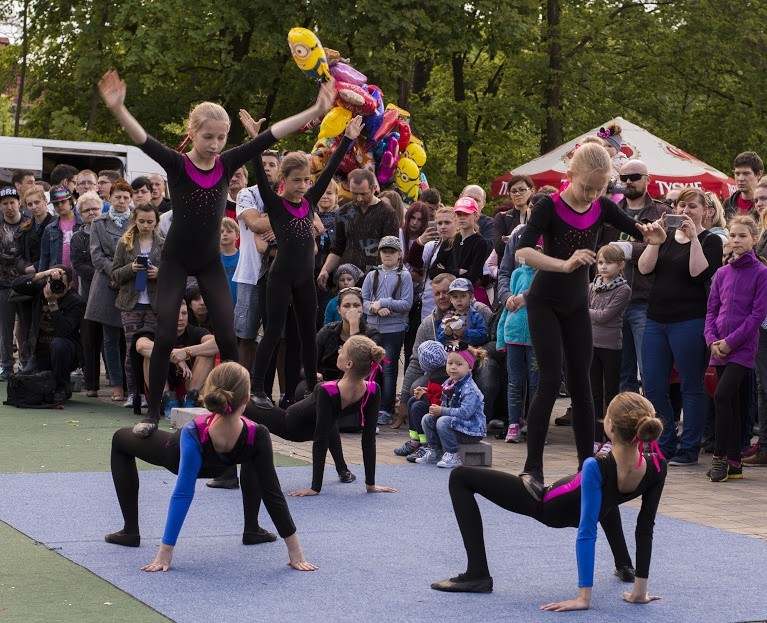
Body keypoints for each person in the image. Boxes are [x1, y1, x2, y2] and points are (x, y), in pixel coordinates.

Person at [99, 71, 340, 434]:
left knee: (228, 338)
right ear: (192, 134)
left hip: (209, 262)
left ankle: (237, 408)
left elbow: (275, 134)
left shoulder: (227, 163)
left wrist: (316, 109)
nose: (214, 144)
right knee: (165, 334)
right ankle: (152, 414)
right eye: (208, 137)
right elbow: (143, 139)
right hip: (177, 260)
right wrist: (119, 109)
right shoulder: (179, 165)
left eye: (221, 138)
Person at [432, 393, 664, 612]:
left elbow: (587, 532)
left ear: (610, 426)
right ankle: (625, 565)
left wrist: (584, 598)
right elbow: (645, 528)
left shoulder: (597, 466)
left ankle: (477, 573)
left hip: (544, 504)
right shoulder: (656, 466)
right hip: (582, 503)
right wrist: (639, 592)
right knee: (605, 495)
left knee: (461, 477)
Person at [515, 142, 651, 488]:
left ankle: (585, 466)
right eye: (586, 187)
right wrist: (563, 263)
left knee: (582, 386)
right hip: (544, 301)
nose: (592, 194)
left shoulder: (603, 206)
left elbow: (641, 232)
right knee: (548, 380)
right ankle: (533, 468)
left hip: (577, 305)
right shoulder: (549, 205)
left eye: (599, 188)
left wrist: (658, 236)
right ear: (569, 175)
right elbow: (524, 251)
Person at [106, 361, 317, 573]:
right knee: (256, 458)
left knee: (120, 440)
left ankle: (130, 531)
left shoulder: (195, 432)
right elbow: (272, 493)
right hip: (195, 459)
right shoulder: (258, 434)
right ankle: (251, 527)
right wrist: (296, 552)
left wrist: (165, 553)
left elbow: (183, 492)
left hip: (179, 456)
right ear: (246, 399)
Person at [241, 105, 362, 409]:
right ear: (283, 180)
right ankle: (257, 389)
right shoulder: (276, 203)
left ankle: (310, 386)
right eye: (297, 180)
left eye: (307, 180)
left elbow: (331, 169)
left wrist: (347, 139)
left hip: (304, 278)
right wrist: (255, 140)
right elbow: (257, 169)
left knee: (309, 332)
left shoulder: (309, 202)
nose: (304, 186)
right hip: (280, 276)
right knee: (272, 333)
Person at [246, 335, 396, 496]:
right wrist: (370, 485)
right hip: (303, 422)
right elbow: (367, 439)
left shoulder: (329, 390)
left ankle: (227, 472)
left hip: (292, 426)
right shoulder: (372, 389)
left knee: (243, 405)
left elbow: (322, 441)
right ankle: (343, 470)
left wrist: (315, 488)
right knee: (330, 420)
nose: (339, 351)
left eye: (342, 350)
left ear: (349, 364)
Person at [639, 187, 723, 464]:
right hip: (656, 319)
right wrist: (654, 242)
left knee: (691, 385)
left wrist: (693, 237)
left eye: (692, 207)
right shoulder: (666, 237)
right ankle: (666, 442)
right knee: (651, 385)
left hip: (689, 320)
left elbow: (698, 272)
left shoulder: (711, 240)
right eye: (681, 206)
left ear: (706, 211)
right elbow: (644, 269)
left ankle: (689, 448)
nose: (685, 211)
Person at [597, 159, 669, 393]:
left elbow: (665, 250)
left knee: (649, 370)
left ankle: (654, 424)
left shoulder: (661, 212)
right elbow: (598, 249)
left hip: (644, 301)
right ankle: (628, 425)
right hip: (610, 302)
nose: (628, 182)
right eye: (624, 178)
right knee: (620, 373)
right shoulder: (610, 212)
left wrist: (623, 250)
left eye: (635, 177)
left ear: (648, 179)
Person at [705, 216, 767, 481]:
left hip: (741, 348)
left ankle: (720, 457)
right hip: (718, 347)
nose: (736, 240)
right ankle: (735, 461)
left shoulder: (761, 273)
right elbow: (711, 310)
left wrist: (730, 342)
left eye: (742, 236)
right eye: (733, 235)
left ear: (754, 239)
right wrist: (712, 340)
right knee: (731, 402)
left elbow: (757, 314)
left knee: (722, 396)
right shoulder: (721, 273)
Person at [85, 178, 133, 402]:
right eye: (118, 197)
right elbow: (96, 255)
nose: (122, 201)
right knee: (110, 339)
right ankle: (116, 385)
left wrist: (128, 274)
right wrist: (116, 273)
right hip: (107, 286)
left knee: (132, 337)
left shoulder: (138, 220)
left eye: (125, 197)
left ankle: (134, 385)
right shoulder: (99, 223)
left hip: (133, 284)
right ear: (109, 198)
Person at [111, 203, 163, 408]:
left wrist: (159, 273)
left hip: (154, 304)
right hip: (130, 303)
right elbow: (114, 274)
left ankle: (149, 392)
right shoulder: (125, 243)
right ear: (135, 220)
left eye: (150, 221)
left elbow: (173, 274)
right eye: (141, 221)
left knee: (150, 349)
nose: (146, 225)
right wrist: (131, 268)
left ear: (156, 222)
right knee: (132, 350)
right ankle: (134, 393)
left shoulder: (163, 244)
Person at [10, 265, 85, 404]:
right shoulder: (41, 290)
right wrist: (43, 274)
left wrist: (52, 303)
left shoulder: (76, 301)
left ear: (70, 285)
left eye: (61, 283)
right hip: (41, 354)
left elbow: (63, 332)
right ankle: (51, 381)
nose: (56, 285)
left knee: (59, 344)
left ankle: (61, 387)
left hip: (67, 354)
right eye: (52, 281)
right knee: (23, 379)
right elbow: (16, 285)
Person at [131, 300, 218, 414]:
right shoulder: (154, 330)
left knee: (207, 351)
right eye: (176, 314)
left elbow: (218, 343)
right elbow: (141, 346)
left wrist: (186, 352)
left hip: (189, 387)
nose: (181, 318)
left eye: (184, 313)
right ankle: (168, 401)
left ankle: (191, 400)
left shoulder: (195, 331)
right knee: (150, 354)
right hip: (160, 391)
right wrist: (172, 355)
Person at [233, 148, 277, 376]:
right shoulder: (246, 194)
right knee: (246, 336)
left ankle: (272, 393)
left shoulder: (287, 193)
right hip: (249, 275)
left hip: (279, 275)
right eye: (264, 164)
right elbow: (254, 223)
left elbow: (313, 226)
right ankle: (241, 389)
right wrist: (281, 220)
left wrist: (267, 220)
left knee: (279, 338)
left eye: (272, 164)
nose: (267, 168)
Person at [362, 236, 413, 424]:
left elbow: (406, 303)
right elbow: (364, 300)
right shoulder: (372, 275)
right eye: (384, 251)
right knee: (370, 367)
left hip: (394, 329)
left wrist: (384, 303)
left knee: (389, 369)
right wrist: (373, 308)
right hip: (373, 327)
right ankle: (368, 403)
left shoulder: (404, 275)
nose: (388, 255)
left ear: (399, 254)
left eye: (392, 251)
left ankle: (385, 408)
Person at [317, 168, 400, 283]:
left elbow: (392, 252)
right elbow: (337, 248)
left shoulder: (388, 214)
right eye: (354, 193)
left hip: (376, 280)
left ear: (374, 188)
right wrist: (325, 270)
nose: (359, 198)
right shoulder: (343, 212)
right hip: (347, 280)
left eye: (363, 194)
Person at [415, 342, 486, 469]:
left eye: (459, 364)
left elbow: (465, 413)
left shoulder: (470, 389)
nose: (453, 367)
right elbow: (443, 404)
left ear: (469, 367)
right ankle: (435, 451)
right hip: (457, 426)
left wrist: (442, 411)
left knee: (443, 421)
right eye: (450, 363)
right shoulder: (449, 383)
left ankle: (453, 454)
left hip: (471, 431)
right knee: (428, 418)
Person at [589, 245, 631, 451]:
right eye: (601, 262)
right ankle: (596, 436)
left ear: (621, 265)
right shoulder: (591, 286)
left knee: (611, 393)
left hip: (611, 346)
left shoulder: (623, 289)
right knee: (594, 392)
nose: (604, 267)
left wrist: (585, 310)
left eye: (609, 262)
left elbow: (605, 316)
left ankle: (611, 438)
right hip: (591, 345)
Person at [496, 259, 537, 443]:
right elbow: (506, 308)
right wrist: (500, 339)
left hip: (537, 337)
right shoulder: (516, 273)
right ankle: (514, 423)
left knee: (536, 383)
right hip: (512, 336)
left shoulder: (546, 273)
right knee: (514, 381)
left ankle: (536, 423)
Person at [70, 191, 103, 397]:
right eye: (87, 210)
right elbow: (78, 264)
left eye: (95, 209)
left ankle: (121, 384)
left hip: (111, 292)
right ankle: (91, 385)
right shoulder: (78, 237)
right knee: (90, 340)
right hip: (87, 294)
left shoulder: (110, 231)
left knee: (112, 340)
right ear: (80, 214)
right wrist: (102, 274)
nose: (92, 213)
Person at [429, 197, 491, 306]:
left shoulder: (480, 242)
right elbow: (433, 272)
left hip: (468, 297)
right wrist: (457, 271)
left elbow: (472, 276)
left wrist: (445, 271)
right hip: (449, 298)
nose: (462, 218)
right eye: (459, 214)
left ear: (476, 216)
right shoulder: (448, 242)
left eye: (466, 214)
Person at [394, 340, 449, 458]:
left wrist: (424, 396)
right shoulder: (436, 375)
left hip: (440, 417)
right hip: (435, 410)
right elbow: (434, 395)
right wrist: (426, 392)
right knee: (412, 400)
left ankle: (426, 444)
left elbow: (437, 405)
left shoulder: (441, 378)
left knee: (417, 406)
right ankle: (415, 441)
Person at [406, 204, 456, 321]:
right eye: (439, 223)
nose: (443, 227)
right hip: (430, 301)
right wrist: (419, 242)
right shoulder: (432, 245)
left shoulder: (463, 245)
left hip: (455, 302)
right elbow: (415, 264)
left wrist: (447, 270)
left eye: (447, 223)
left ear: (457, 224)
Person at [0, 186, 27, 380]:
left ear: (19, 202)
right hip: (3, 284)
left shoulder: (28, 223)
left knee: (26, 326)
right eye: (5, 204)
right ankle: (7, 365)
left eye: (12, 202)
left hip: (25, 283)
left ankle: (26, 363)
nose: (9, 207)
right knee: (5, 327)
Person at [39, 186, 83, 291]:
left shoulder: (83, 224)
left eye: (63, 202)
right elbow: (44, 258)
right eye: (56, 203)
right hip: (57, 277)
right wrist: (42, 283)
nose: (59, 205)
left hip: (80, 277)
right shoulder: (50, 229)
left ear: (70, 202)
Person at [435, 277, 487, 346]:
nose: (459, 300)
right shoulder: (446, 318)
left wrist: (465, 333)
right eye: (455, 297)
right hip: (451, 353)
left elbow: (483, 336)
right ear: (451, 299)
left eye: (463, 296)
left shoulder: (476, 316)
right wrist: (446, 335)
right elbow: (439, 341)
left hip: (471, 352)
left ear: (471, 297)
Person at [493, 175, 535, 260]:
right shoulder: (502, 217)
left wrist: (509, 239)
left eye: (522, 190)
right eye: (513, 191)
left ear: (532, 190)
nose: (517, 194)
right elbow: (499, 249)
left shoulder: (537, 216)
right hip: (507, 269)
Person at [723, 151, 763, 221]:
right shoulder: (727, 204)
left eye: (746, 174)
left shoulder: (764, 204)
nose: (740, 179)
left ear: (759, 174)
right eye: (737, 174)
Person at [220, 216, 239, 303]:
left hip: (240, 304)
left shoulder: (243, 257)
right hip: (220, 304)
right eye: (221, 232)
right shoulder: (213, 259)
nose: (224, 234)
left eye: (229, 231)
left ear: (237, 235)